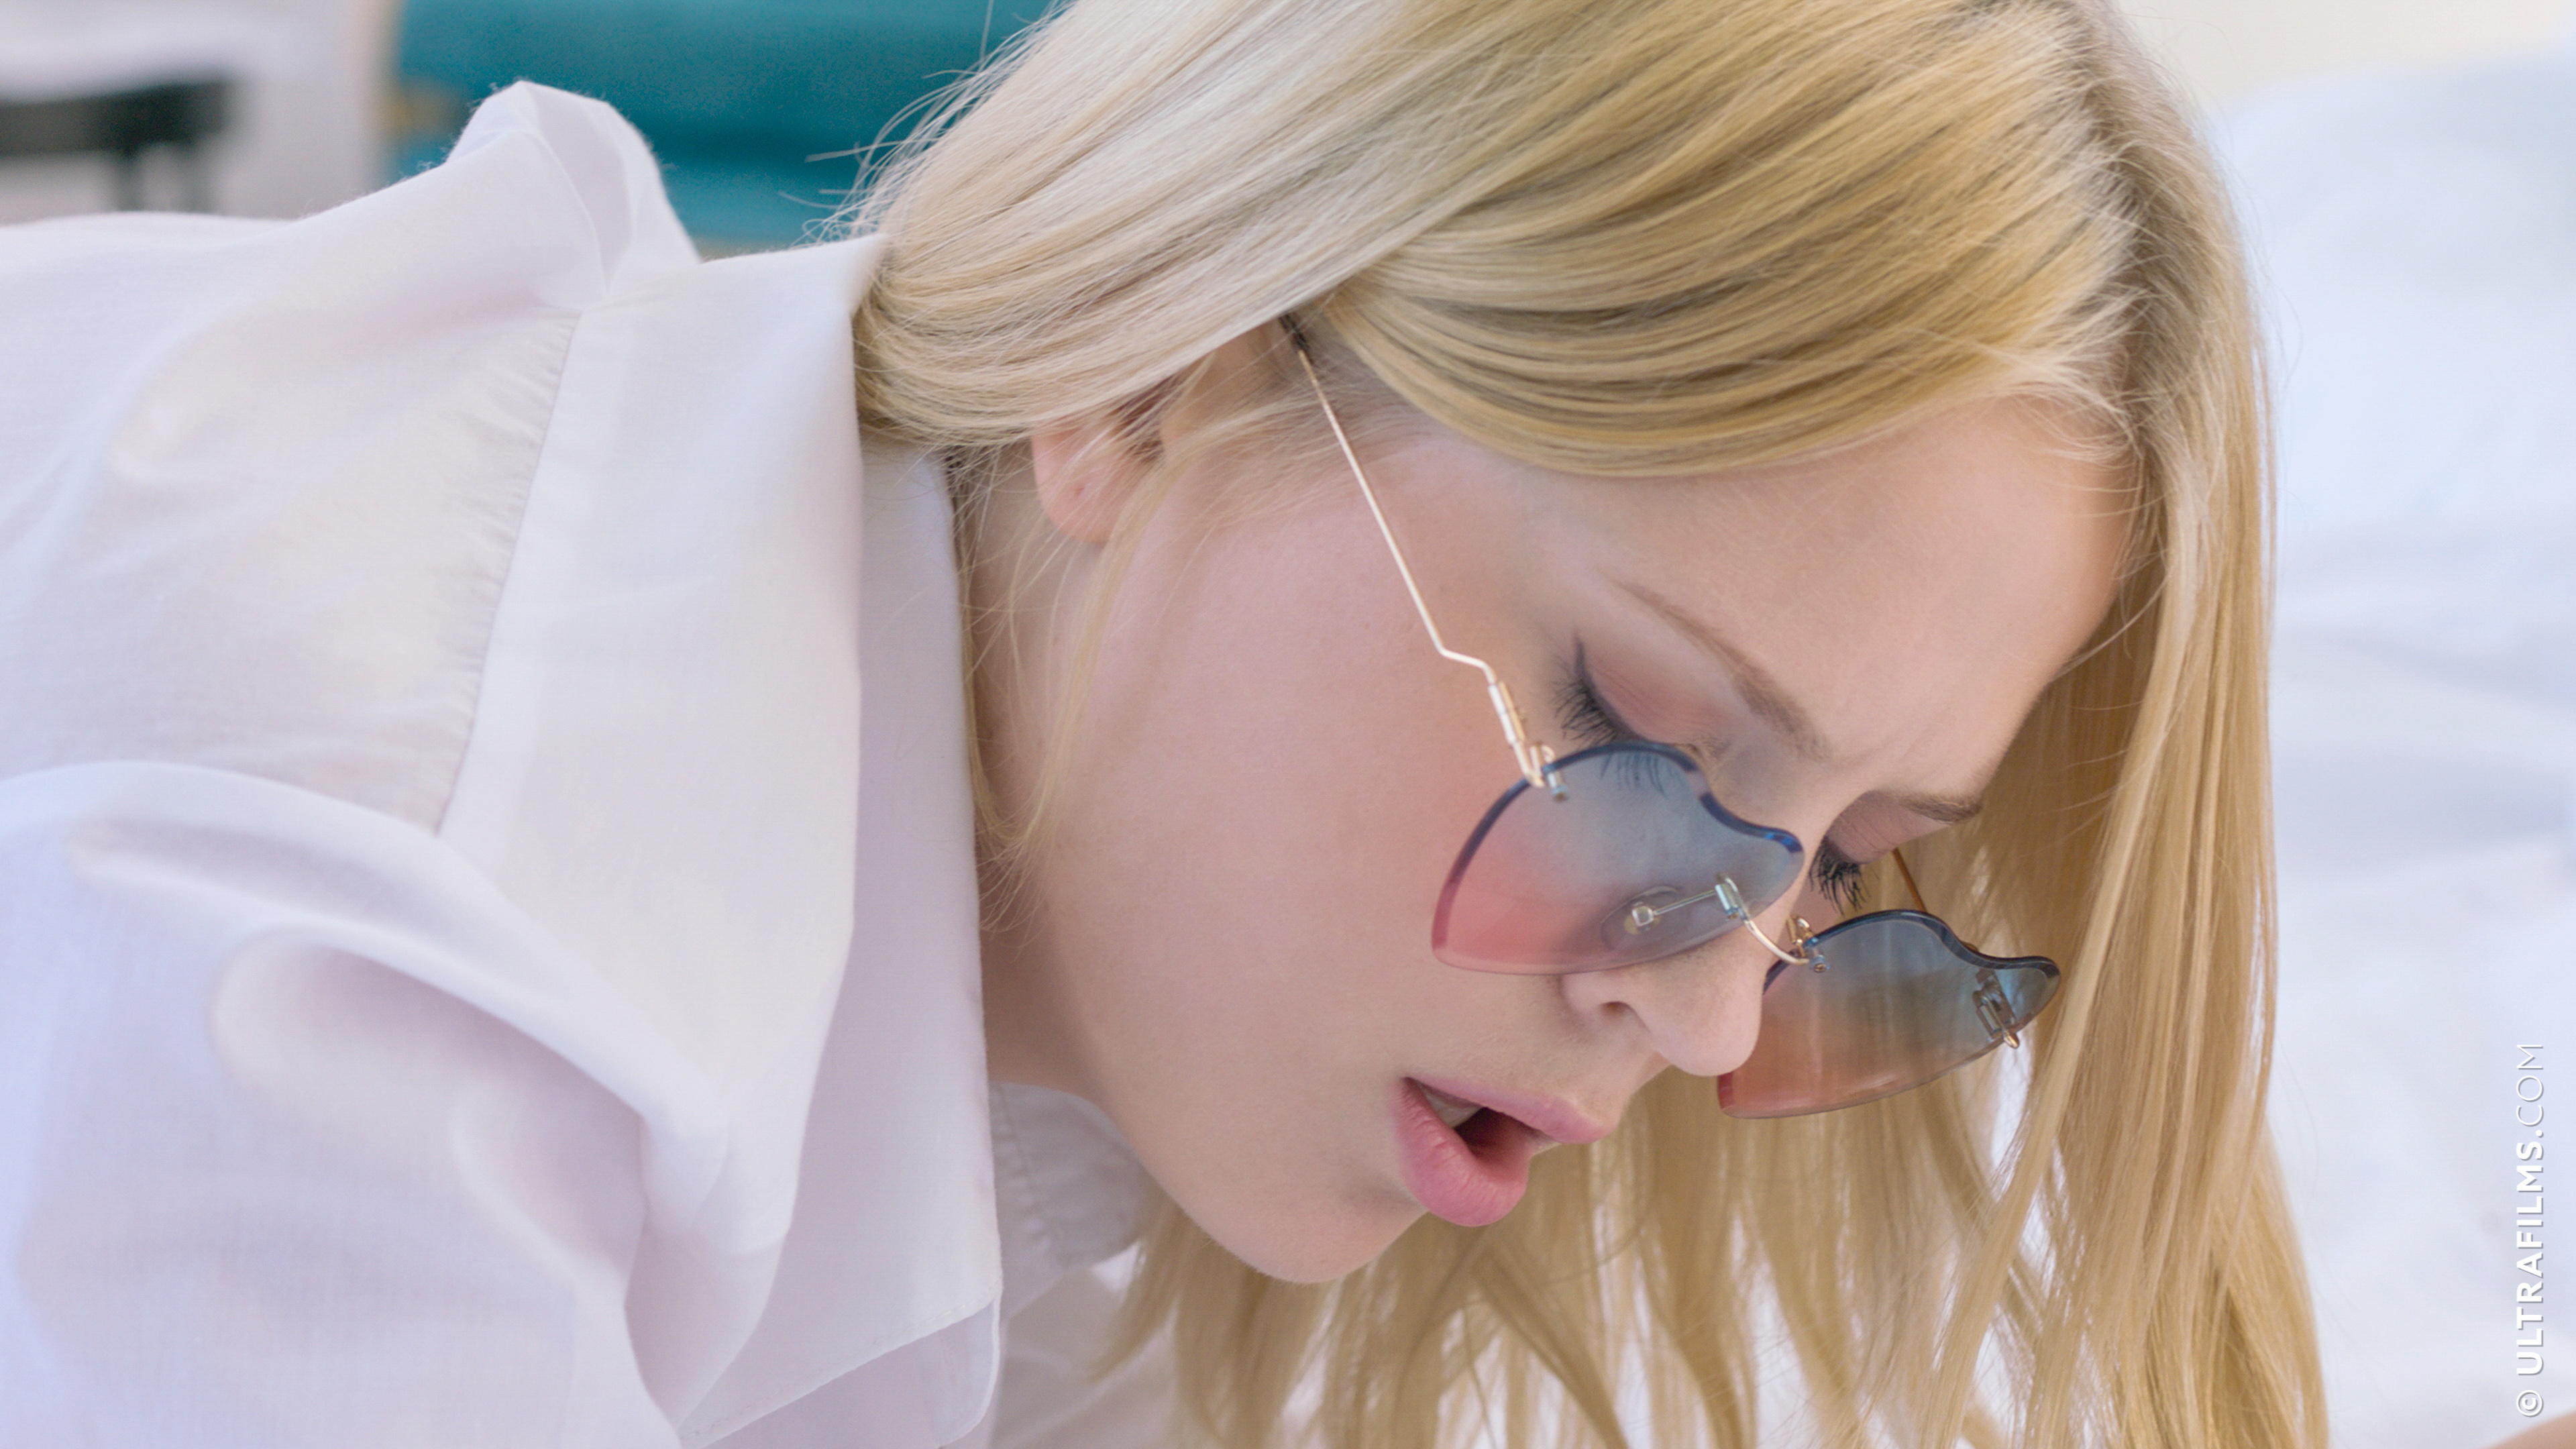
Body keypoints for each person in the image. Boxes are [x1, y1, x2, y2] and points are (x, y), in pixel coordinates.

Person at [0, 0, 2322, 1444]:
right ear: (1156, 373)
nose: (1713, 1015)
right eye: (1641, 730)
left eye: (1852, 863)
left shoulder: (1082, 964)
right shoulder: (372, 906)